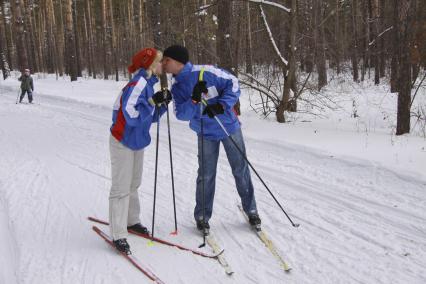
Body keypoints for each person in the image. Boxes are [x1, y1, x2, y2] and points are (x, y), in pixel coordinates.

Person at [161, 45, 261, 235]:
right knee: (206, 174)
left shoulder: (207, 72)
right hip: (205, 132)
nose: (164, 64)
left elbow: (233, 83)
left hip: (228, 128)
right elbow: (181, 114)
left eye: (167, 60)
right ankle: (202, 216)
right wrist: (194, 100)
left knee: (240, 169)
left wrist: (222, 105)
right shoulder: (177, 86)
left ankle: (252, 210)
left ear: (178, 61)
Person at [109, 47, 171, 254]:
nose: (163, 65)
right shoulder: (138, 83)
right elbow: (130, 113)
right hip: (123, 140)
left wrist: (160, 106)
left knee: (134, 183)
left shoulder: (148, 84)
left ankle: (131, 221)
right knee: (121, 188)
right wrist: (153, 101)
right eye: (160, 61)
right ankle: (118, 234)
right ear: (150, 65)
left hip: (137, 140)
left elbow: (147, 117)